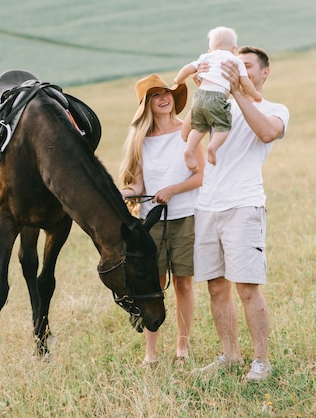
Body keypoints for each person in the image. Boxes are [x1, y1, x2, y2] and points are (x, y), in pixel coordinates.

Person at [191, 46, 290, 381]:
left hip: (243, 205)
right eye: (235, 66)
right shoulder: (219, 104)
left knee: (247, 287)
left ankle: (261, 361)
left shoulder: (275, 109)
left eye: (247, 67)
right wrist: (204, 88)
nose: (239, 71)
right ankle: (229, 356)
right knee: (216, 287)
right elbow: (188, 135)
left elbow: (266, 132)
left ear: (264, 72)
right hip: (206, 205)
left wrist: (237, 89)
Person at [119, 74, 205, 365]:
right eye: (156, 95)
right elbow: (139, 187)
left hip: (186, 216)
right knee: (152, 284)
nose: (164, 98)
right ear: (147, 104)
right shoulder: (141, 140)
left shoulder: (188, 131)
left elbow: (201, 176)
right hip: (151, 222)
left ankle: (183, 345)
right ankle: (151, 352)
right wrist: (120, 193)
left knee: (183, 283)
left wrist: (173, 190)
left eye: (167, 92)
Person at [174, 26, 262, 171]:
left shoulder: (206, 57)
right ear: (234, 48)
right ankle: (212, 147)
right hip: (217, 97)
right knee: (223, 127)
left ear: (210, 49)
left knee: (199, 127)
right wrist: (255, 95)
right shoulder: (234, 60)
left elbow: (187, 69)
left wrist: (179, 80)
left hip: (199, 97)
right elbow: (245, 82)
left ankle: (189, 150)